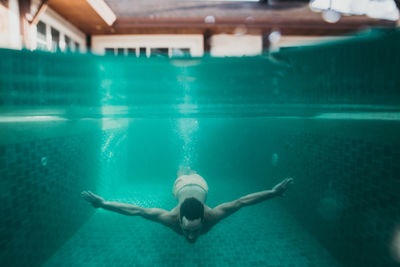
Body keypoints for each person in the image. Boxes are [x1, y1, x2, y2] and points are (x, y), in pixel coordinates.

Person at [81, 168, 293, 244]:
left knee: (193, 173)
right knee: (181, 175)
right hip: (181, 188)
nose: (191, 237)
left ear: (203, 219)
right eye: (187, 231)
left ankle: (189, 170)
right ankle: (183, 172)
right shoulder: (170, 218)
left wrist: (273, 193)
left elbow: (242, 202)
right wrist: (103, 204)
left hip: (201, 185)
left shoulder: (212, 215)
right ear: (179, 219)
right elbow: (136, 210)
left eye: (195, 231)